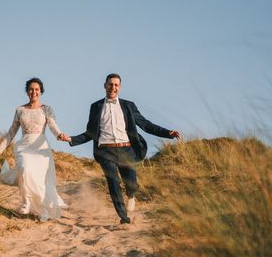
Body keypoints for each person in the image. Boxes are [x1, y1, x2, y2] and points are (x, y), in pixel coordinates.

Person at [58, 73, 180, 224]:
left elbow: (145, 124)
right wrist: (71, 139)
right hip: (105, 151)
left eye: (116, 85)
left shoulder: (128, 106)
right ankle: (124, 217)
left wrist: (168, 133)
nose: (113, 87)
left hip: (126, 149)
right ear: (105, 86)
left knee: (131, 182)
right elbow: (90, 133)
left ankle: (131, 194)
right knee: (113, 181)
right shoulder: (95, 107)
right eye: (110, 84)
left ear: (120, 87)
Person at [0, 77, 66, 221]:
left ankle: (43, 210)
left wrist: (59, 135)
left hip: (41, 147)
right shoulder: (20, 110)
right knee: (24, 169)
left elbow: (53, 126)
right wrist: (0, 148)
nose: (33, 92)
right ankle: (27, 202)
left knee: (39, 180)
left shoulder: (46, 109)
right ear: (27, 91)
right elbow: (12, 131)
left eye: (36, 89)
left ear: (40, 91)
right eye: (31, 89)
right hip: (24, 146)